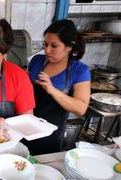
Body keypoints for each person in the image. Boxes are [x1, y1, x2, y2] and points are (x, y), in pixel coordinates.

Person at [25, 19, 91, 155]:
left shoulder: (80, 71)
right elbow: (23, 89)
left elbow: (81, 108)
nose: (47, 50)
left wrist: (52, 90)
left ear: (69, 46)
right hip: (25, 126)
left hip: (50, 135)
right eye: (45, 44)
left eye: (54, 46)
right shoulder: (37, 61)